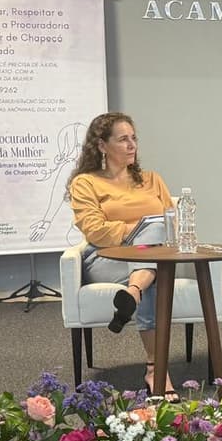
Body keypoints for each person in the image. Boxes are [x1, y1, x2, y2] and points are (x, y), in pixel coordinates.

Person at [67, 112, 178, 398]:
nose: (132, 145)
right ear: (102, 145)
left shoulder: (152, 180)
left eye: (134, 138)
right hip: (105, 259)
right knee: (154, 259)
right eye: (123, 139)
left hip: (148, 258)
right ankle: (156, 370)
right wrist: (138, 230)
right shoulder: (85, 183)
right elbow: (95, 231)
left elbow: (172, 224)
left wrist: (148, 233)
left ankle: (134, 292)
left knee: (154, 248)